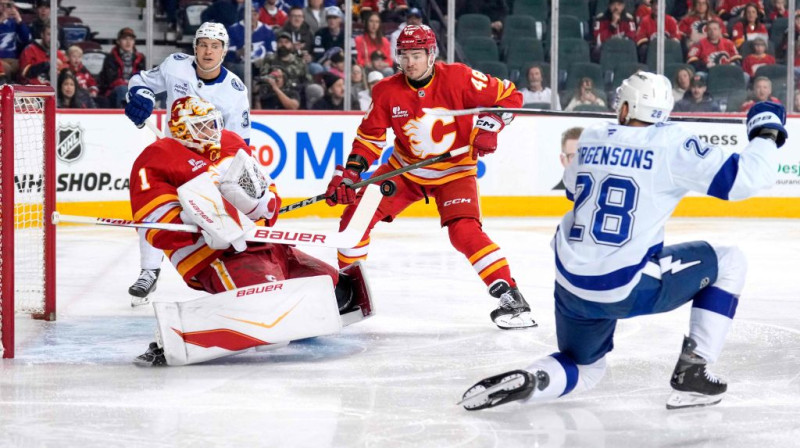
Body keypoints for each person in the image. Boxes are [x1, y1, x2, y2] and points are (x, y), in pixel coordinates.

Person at [460, 71, 787, 411]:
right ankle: (695, 369)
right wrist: (765, 132)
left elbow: (573, 190)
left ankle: (534, 380)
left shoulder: (591, 136)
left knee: (585, 367)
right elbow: (744, 181)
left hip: (570, 285)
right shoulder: (671, 143)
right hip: (623, 285)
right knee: (731, 261)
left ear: (628, 106)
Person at [323, 25, 536, 330]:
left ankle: (510, 296)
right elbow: (370, 139)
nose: (410, 62)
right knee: (354, 217)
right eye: (404, 55)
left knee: (464, 231)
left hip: (455, 171)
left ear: (431, 54)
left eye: (416, 55)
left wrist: (490, 126)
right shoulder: (386, 91)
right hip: (405, 171)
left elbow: (509, 95)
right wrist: (350, 174)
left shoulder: (460, 78)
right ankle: (348, 293)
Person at [130, 96, 367, 366]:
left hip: (266, 246)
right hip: (214, 256)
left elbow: (268, 192)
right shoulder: (155, 159)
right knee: (271, 306)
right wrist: (202, 220)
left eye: (213, 123)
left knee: (332, 290)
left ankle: (279, 309)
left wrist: (263, 205)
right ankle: (177, 335)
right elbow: (154, 226)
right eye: (203, 125)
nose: (213, 131)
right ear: (184, 129)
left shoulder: (231, 141)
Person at [124, 22, 250, 306]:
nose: (208, 51)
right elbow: (139, 81)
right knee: (152, 206)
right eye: (203, 44)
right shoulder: (175, 65)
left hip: (208, 165)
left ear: (224, 51)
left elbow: (241, 144)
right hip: (170, 154)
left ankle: (232, 274)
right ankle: (149, 271)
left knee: (213, 222)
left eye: (215, 46)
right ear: (194, 47)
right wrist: (141, 98)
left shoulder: (235, 90)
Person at [226, 3, 276, 79]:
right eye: (249, 14)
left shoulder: (267, 30)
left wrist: (265, 60)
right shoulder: (233, 29)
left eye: (255, 14)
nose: (252, 17)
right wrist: (240, 52)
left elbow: (271, 52)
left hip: (261, 65)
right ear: (243, 14)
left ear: (259, 15)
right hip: (240, 66)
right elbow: (228, 54)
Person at [99, 27, 146, 108]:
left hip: (134, 88)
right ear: (118, 41)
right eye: (125, 39)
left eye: (131, 39)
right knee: (123, 90)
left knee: (164, 91)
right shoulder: (110, 58)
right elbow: (111, 81)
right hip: (114, 91)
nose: (128, 42)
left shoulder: (141, 58)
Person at [18, 21, 66, 85]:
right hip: (33, 90)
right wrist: (47, 64)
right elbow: (24, 74)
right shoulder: (30, 50)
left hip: (53, 91)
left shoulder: (60, 55)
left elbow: (66, 78)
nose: (52, 38)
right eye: (49, 34)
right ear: (42, 34)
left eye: (54, 35)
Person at [0, 0, 31, 82]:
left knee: (27, 66)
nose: (4, 7)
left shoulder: (13, 22)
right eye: (1, 4)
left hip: (13, 60)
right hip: (1, 60)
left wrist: (19, 20)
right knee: (3, 68)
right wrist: (2, 19)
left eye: (7, 5)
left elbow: (26, 39)